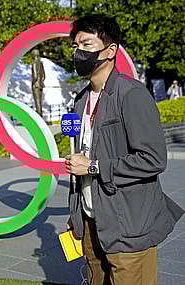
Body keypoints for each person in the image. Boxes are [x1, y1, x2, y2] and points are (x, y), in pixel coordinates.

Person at [65, 14, 184, 285]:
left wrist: (93, 166)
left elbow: (152, 159)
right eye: (75, 46)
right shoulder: (81, 99)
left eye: (85, 44)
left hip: (129, 225)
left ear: (110, 50)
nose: (78, 52)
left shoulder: (131, 94)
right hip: (92, 222)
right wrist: (76, 214)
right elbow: (81, 156)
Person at [31, 49, 46, 117]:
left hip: (36, 85)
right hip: (41, 84)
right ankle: (40, 115)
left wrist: (33, 82)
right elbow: (43, 76)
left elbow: (35, 75)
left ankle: (39, 117)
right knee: (40, 102)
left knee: (37, 102)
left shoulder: (34, 63)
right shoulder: (41, 63)